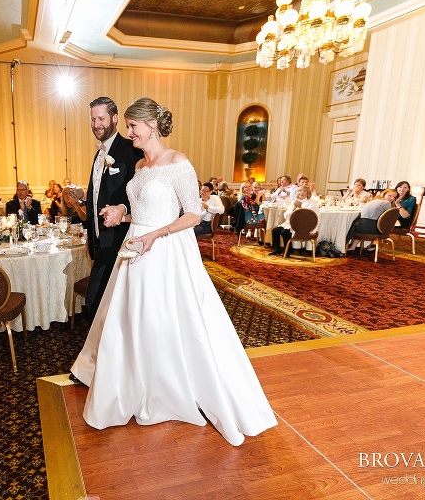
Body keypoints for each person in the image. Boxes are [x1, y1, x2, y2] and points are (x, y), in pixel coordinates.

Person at [70, 97, 277, 446]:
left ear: (150, 125)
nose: (129, 132)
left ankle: (171, 388)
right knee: (133, 320)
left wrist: (155, 234)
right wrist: (123, 214)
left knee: (166, 319)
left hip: (165, 250)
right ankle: (138, 383)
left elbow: (193, 214)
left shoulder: (178, 162)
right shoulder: (138, 166)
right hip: (136, 247)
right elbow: (147, 210)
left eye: (133, 126)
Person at [83, 96, 143, 317]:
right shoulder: (99, 153)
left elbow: (139, 193)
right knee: (100, 305)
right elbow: (95, 197)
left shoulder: (131, 150)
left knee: (103, 304)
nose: (96, 124)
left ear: (115, 118)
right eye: (92, 119)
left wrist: (123, 208)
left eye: (101, 118)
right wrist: (92, 236)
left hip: (121, 239)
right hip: (101, 240)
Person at [269, 186, 319, 256]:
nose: (301, 193)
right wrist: (293, 209)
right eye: (300, 191)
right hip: (290, 223)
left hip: (303, 226)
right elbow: (286, 215)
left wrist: (299, 208)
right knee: (275, 231)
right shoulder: (294, 202)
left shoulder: (311, 203)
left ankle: (288, 251)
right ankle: (278, 249)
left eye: (304, 191)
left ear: (308, 193)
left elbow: (308, 217)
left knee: (285, 232)